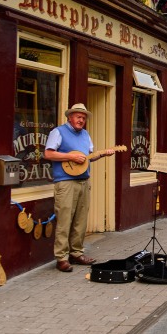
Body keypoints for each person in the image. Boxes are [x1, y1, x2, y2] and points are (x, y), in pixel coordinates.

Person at [44, 104, 114, 272]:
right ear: (70, 117)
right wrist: (70, 156)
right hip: (65, 182)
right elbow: (48, 153)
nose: (81, 120)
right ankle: (61, 258)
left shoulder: (85, 135)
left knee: (80, 220)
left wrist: (102, 154)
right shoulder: (58, 132)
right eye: (78, 117)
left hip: (83, 181)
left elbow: (87, 158)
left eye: (83, 118)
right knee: (64, 219)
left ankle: (76, 253)